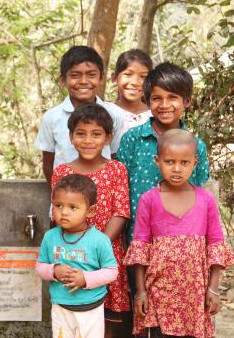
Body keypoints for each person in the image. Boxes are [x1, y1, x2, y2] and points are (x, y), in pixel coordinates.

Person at [124, 129, 234, 338]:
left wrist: (213, 289)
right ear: (157, 161)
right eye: (169, 162)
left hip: (196, 295)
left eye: (184, 163)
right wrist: (141, 292)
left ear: (195, 162)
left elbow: (216, 246)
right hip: (159, 294)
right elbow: (140, 249)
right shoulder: (149, 199)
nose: (177, 169)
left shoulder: (206, 200)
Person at [51, 103, 131, 337]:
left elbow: (121, 212)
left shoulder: (116, 170)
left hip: (107, 252)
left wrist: (97, 245)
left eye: (96, 134)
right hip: (72, 254)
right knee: (75, 320)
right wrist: (77, 249)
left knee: (109, 322)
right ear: (71, 136)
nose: (88, 140)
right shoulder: (62, 172)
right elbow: (58, 213)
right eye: (81, 133)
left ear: (108, 138)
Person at [116, 62, 210, 245]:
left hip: (183, 241)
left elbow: (199, 190)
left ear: (187, 101)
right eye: (157, 98)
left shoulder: (196, 146)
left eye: (173, 97)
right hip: (138, 241)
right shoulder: (133, 139)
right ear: (147, 101)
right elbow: (119, 191)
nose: (164, 104)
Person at [36, 174, 119, 338]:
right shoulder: (50, 237)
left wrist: (85, 279)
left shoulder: (99, 240)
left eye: (72, 207)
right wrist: (54, 271)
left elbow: (112, 271)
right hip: (61, 307)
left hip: (90, 309)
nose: (64, 212)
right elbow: (39, 267)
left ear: (90, 211)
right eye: (58, 205)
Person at [35, 45, 126, 186]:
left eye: (91, 75)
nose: (83, 81)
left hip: (104, 200)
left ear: (101, 78)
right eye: (75, 75)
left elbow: (115, 156)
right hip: (65, 201)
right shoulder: (52, 117)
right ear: (62, 80)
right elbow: (48, 165)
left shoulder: (115, 115)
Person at [112, 49, 153, 130]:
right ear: (114, 78)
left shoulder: (155, 115)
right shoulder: (105, 112)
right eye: (128, 74)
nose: (135, 82)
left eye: (143, 77)